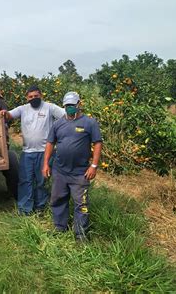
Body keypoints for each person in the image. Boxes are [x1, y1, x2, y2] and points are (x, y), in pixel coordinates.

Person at [42, 91, 103, 242]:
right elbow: (50, 143)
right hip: (60, 170)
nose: (70, 108)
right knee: (58, 199)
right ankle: (59, 227)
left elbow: (97, 143)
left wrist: (94, 166)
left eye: (72, 105)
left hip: (80, 173)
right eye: (67, 106)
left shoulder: (89, 123)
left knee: (81, 203)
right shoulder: (58, 124)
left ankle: (80, 233)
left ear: (79, 105)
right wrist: (46, 164)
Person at [0, 85, 65, 216]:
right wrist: (3, 113)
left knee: (41, 180)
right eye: (31, 97)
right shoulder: (23, 109)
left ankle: (40, 207)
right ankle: (25, 209)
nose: (33, 98)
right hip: (28, 152)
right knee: (25, 180)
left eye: (36, 96)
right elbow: (9, 115)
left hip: (45, 151)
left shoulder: (49, 107)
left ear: (41, 95)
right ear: (27, 98)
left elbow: (65, 115)